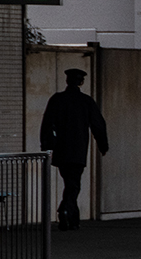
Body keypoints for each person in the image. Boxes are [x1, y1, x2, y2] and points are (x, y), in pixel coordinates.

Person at [40, 68, 108, 230]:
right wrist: (103, 145)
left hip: (61, 150)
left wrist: (47, 146)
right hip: (78, 149)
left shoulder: (57, 99)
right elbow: (98, 125)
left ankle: (71, 217)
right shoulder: (86, 101)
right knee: (74, 184)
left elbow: (47, 124)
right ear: (81, 82)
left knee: (70, 183)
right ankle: (65, 210)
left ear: (67, 81)